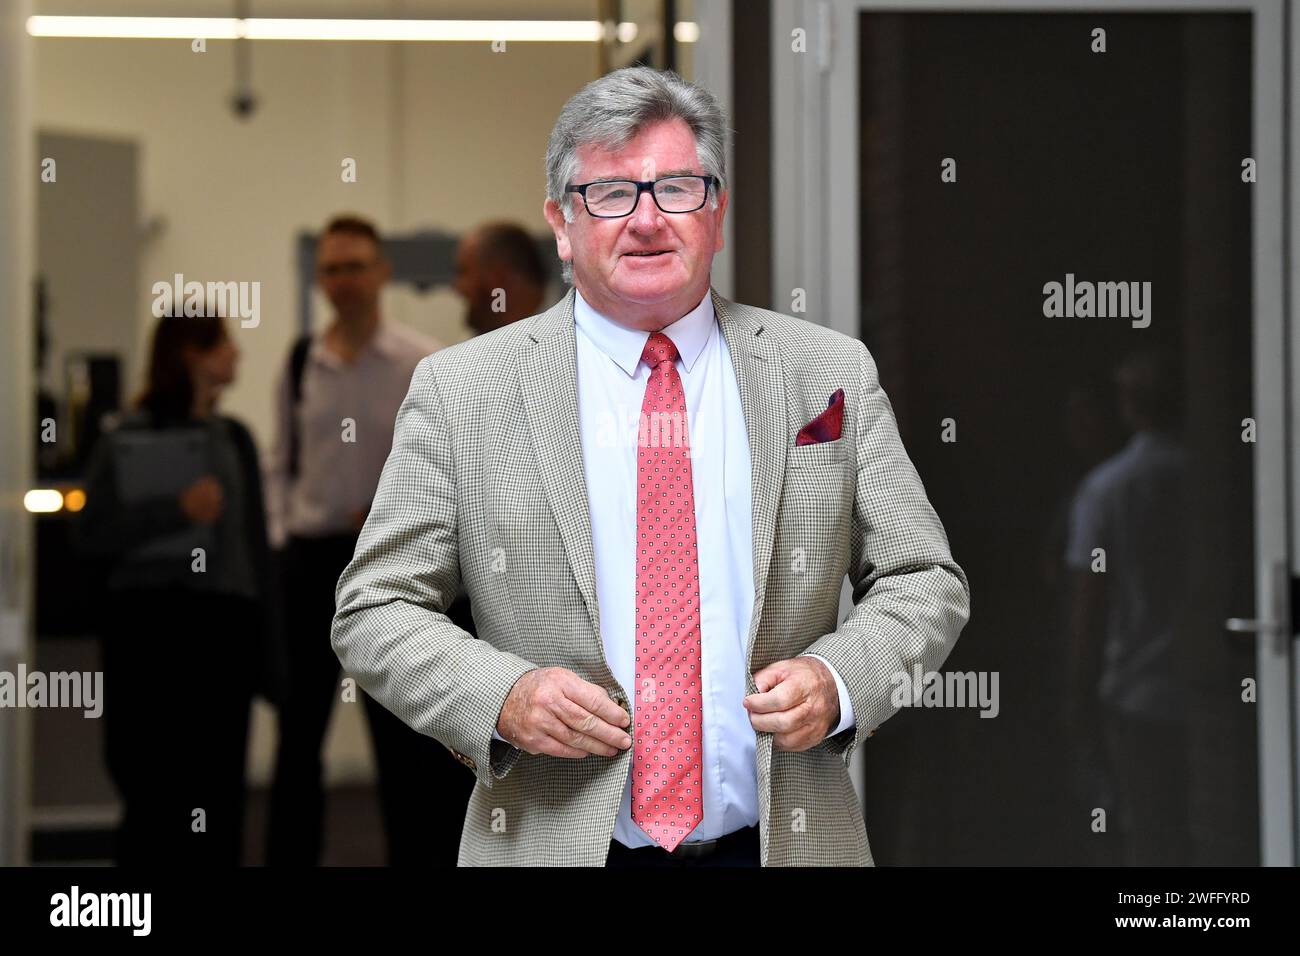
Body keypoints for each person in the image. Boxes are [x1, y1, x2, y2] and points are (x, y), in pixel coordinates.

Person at [332, 67, 971, 867]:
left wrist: (838, 680)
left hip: (778, 845)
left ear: (716, 213)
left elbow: (924, 579)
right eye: (609, 194)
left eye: (675, 189)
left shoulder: (826, 374)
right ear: (562, 224)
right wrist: (503, 697)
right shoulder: (463, 391)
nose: (645, 220)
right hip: (557, 846)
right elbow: (376, 606)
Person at [264, 214, 450, 865]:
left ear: (381, 273)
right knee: (298, 734)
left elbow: (440, 466)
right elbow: (279, 463)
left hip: (387, 564)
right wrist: (282, 534)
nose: (344, 281)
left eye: (355, 267)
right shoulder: (300, 363)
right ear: (320, 280)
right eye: (332, 269)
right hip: (309, 564)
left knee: (403, 738)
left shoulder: (421, 361)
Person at [78, 311, 272, 866]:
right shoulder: (127, 436)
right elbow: (90, 533)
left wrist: (269, 651)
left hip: (223, 633)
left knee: (218, 787)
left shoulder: (234, 437)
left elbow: (253, 548)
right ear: (192, 353)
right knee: (151, 785)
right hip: (149, 631)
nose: (235, 354)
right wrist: (177, 511)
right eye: (223, 344)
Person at [1064, 347, 1194, 865]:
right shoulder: (1206, 477)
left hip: (1135, 691)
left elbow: (1088, 605)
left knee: (1148, 830)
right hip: (1203, 685)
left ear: (1127, 405)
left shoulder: (1107, 490)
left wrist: (1077, 689)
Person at [452, 221, 548, 336]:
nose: (458, 288)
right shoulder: (486, 340)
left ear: (498, 276)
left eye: (464, 272)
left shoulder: (561, 338)